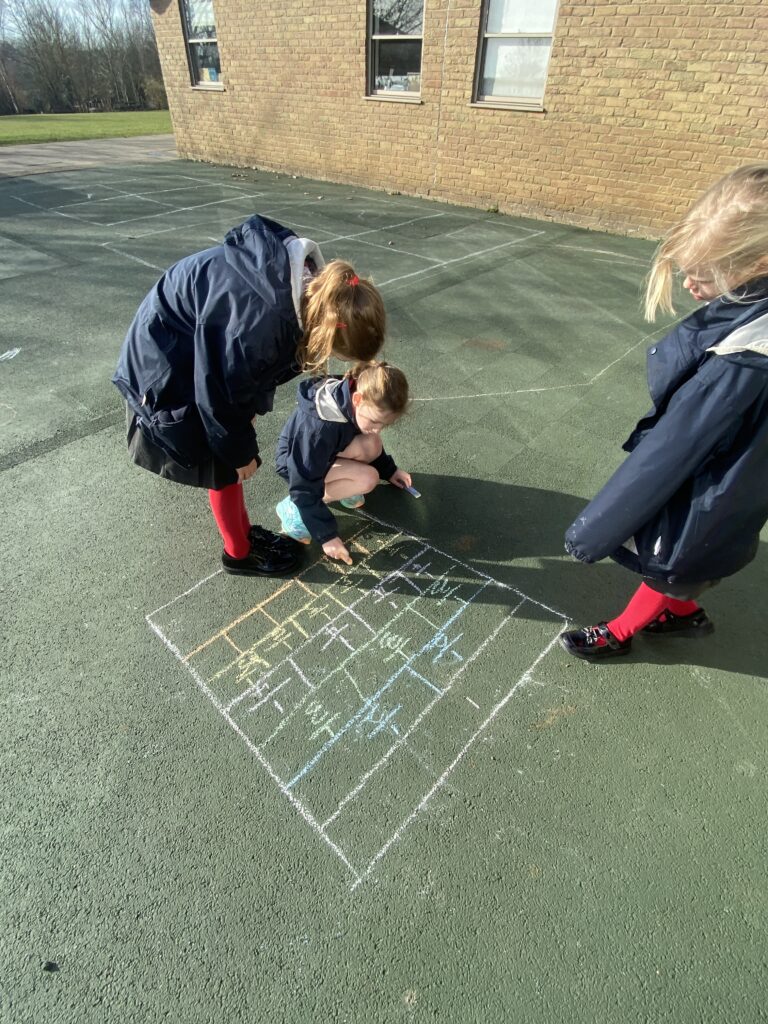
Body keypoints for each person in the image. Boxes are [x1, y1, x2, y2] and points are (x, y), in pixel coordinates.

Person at [560, 164, 768, 660]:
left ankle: (620, 633)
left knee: (673, 560)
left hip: (718, 485)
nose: (692, 285)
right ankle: (681, 613)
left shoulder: (740, 360)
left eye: (706, 274)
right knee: (697, 562)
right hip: (745, 478)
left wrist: (593, 531)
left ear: (758, 262)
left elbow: (671, 451)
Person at [112, 214, 386, 576]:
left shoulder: (305, 290)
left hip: (198, 344)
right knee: (221, 466)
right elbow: (218, 391)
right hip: (165, 364)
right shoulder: (259, 325)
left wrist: (248, 412)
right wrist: (240, 453)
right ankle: (238, 553)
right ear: (328, 331)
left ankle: (241, 535)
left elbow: (249, 372)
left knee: (227, 438)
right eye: (339, 353)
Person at [275, 360, 413, 565]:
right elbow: (303, 481)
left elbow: (367, 437)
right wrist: (327, 536)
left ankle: (345, 487)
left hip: (326, 451)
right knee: (368, 479)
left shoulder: (353, 394)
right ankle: (293, 509)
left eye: (384, 424)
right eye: (374, 421)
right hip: (297, 466)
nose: (377, 428)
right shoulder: (319, 429)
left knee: (372, 442)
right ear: (357, 399)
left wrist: (390, 470)